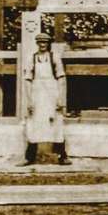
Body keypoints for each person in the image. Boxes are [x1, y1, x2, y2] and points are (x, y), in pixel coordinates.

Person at [22, 32, 71, 166]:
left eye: (45, 42)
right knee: (34, 123)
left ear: (48, 43)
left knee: (55, 122)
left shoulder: (54, 57)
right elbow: (27, 80)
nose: (42, 45)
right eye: (40, 42)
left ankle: (62, 156)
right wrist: (29, 100)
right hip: (37, 93)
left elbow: (61, 78)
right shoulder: (31, 58)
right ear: (37, 43)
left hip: (52, 91)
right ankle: (29, 157)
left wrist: (60, 98)